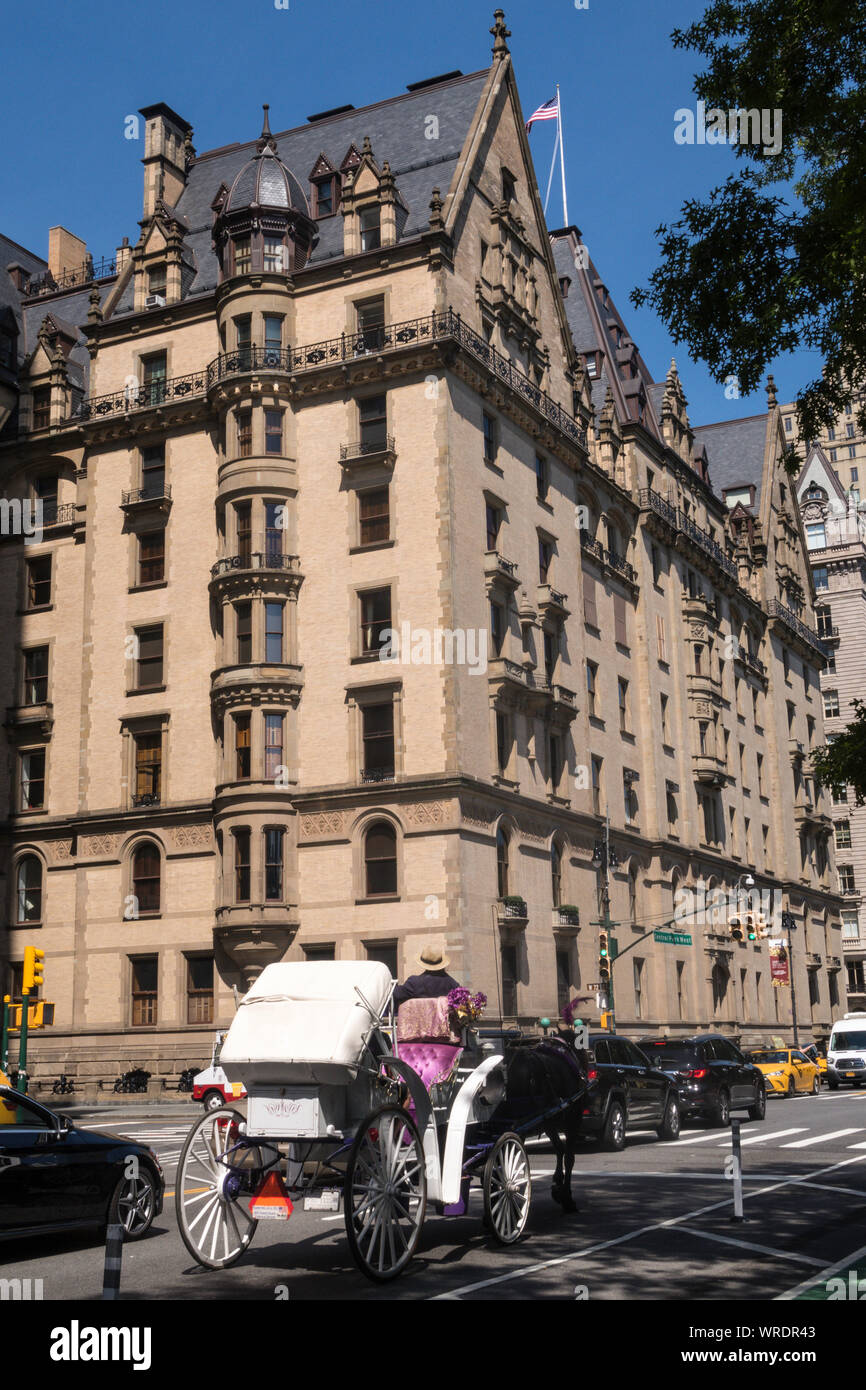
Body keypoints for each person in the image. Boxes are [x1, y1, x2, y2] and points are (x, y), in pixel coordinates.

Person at [392, 943, 459, 1009]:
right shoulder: (452, 984)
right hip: (444, 1019)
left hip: (419, 1019)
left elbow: (396, 994)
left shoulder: (414, 983)